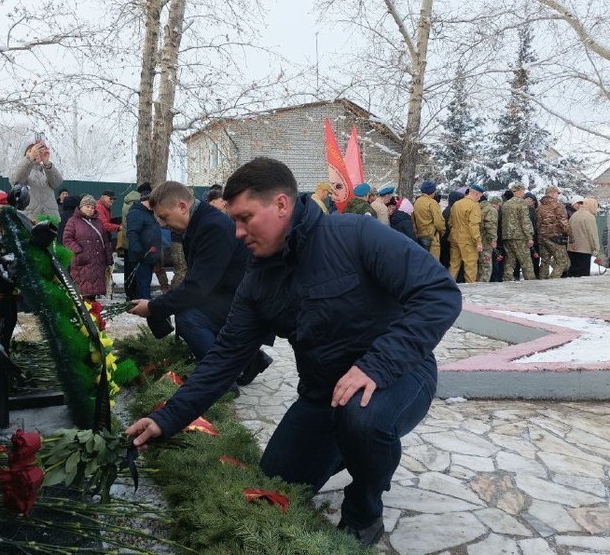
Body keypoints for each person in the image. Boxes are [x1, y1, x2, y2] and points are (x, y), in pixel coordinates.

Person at [125, 157, 462, 548]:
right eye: (232, 220)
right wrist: (166, 418)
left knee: (362, 419)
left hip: (399, 377)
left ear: (281, 205)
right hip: (322, 396)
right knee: (274, 484)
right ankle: (347, 447)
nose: (236, 233)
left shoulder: (356, 236)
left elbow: (438, 294)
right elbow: (224, 357)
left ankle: (364, 508)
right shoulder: (258, 281)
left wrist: (377, 365)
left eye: (245, 218)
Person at [127, 181, 272, 389]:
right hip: (231, 295)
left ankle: (222, 382)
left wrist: (153, 307)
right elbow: (196, 280)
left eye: (165, 217)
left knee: (188, 318)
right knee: (189, 310)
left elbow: (197, 289)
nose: (163, 224)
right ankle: (251, 359)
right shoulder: (200, 222)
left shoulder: (212, 226)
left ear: (182, 206)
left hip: (249, 302)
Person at [62, 195, 114, 299]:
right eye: (87, 206)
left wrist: (109, 259)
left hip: (98, 263)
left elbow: (105, 242)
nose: (90, 209)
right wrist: (80, 251)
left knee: (93, 293)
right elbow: (67, 239)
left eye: (92, 207)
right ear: (81, 207)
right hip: (82, 263)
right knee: (83, 293)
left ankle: (93, 312)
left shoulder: (98, 222)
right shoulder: (73, 221)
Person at [9, 137, 64, 223]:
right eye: (33, 151)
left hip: (50, 219)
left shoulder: (47, 170)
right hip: (29, 219)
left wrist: (47, 164)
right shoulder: (20, 169)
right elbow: (17, 180)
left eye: (39, 151)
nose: (36, 154)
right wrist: (30, 159)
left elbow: (57, 183)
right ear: (26, 154)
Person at [126, 187, 162, 299]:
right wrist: (138, 251)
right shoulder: (136, 213)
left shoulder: (148, 213)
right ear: (145, 200)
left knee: (146, 282)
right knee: (143, 283)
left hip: (150, 255)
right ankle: (145, 305)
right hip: (141, 256)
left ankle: (145, 302)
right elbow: (132, 233)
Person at [448, 184, 484, 284]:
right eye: (480, 196)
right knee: (470, 266)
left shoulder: (456, 204)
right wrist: (478, 241)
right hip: (467, 240)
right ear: (476, 194)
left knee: (454, 265)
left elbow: (450, 222)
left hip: (454, 238)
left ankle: (449, 286)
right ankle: (471, 289)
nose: (479, 198)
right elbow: (474, 225)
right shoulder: (474, 205)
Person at [500, 182, 536, 281]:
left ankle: (507, 280)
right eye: (523, 191)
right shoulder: (521, 203)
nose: (524, 193)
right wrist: (529, 237)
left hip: (507, 236)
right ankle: (531, 283)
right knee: (526, 262)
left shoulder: (506, 204)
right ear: (520, 191)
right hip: (519, 237)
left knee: (509, 261)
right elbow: (525, 221)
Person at [536, 186, 571, 279]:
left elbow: (537, 223)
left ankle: (542, 280)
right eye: (557, 193)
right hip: (555, 237)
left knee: (545, 261)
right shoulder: (558, 206)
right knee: (562, 260)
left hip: (542, 237)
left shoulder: (540, 207)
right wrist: (571, 236)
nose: (558, 195)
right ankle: (553, 279)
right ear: (552, 194)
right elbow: (564, 222)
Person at [568, 198, 601, 277]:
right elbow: (592, 235)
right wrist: (596, 248)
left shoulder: (574, 215)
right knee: (582, 275)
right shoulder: (589, 217)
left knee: (573, 274)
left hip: (572, 249)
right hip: (584, 250)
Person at [412, 181, 445, 259]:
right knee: (434, 262)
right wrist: (442, 231)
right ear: (431, 191)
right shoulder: (432, 203)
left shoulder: (417, 202)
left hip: (420, 235)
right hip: (432, 236)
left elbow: (413, 218)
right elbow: (439, 223)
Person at [477, 195, 499, 283]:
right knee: (486, 265)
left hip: (478, 240)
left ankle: (478, 282)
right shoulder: (492, 210)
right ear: (496, 204)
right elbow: (490, 226)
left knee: (479, 264)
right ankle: (483, 284)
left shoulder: (480, 208)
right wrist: (493, 239)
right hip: (486, 242)